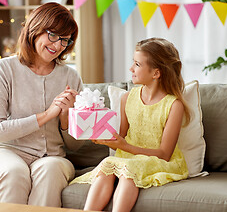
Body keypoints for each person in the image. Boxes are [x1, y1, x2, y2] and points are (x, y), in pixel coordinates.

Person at [0, 2, 84, 207]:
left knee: (51, 170)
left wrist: (64, 118)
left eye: (65, 40)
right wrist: (48, 114)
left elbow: (75, 146)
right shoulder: (3, 68)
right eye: (53, 35)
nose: (58, 45)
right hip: (5, 152)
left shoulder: (71, 76)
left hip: (52, 157)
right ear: (35, 29)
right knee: (14, 172)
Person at [70, 38, 191, 212]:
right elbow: (121, 136)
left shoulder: (173, 105)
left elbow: (164, 154)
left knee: (129, 172)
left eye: (137, 64)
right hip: (128, 158)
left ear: (156, 73)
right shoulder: (127, 98)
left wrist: (124, 145)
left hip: (157, 161)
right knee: (106, 165)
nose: (131, 69)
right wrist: (104, 137)